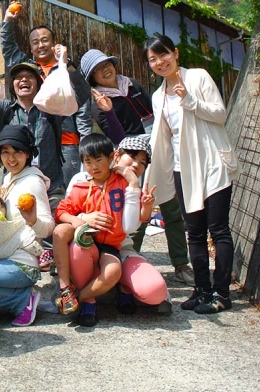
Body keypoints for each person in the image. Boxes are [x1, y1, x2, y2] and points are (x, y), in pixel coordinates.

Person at [81, 48, 195, 286]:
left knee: (172, 209)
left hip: (159, 148)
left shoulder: (131, 84)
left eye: (106, 64)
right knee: (137, 209)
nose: (105, 70)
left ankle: (181, 265)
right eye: (98, 70)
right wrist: (109, 111)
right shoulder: (98, 103)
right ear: (92, 78)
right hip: (133, 160)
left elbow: (156, 112)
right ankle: (131, 261)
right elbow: (118, 138)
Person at [144, 34, 239, 314]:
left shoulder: (197, 77)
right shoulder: (158, 96)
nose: (160, 62)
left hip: (212, 163)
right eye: (153, 59)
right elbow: (162, 139)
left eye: (164, 54)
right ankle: (202, 289)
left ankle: (222, 294)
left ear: (175, 53)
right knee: (194, 232)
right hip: (182, 169)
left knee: (218, 229)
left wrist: (190, 101)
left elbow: (220, 114)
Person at [66, 135, 170, 315]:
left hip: (119, 248)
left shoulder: (133, 186)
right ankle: (88, 301)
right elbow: (65, 214)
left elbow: (130, 226)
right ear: (115, 155)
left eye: (143, 162)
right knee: (78, 247)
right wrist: (84, 217)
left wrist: (134, 186)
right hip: (86, 245)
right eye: (132, 156)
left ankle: (115, 289)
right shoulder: (81, 179)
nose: (136, 164)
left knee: (154, 291)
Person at [53, 133, 140, 327]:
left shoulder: (122, 182)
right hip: (87, 242)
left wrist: (134, 183)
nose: (94, 166)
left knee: (113, 271)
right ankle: (69, 290)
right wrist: (79, 221)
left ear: (111, 157)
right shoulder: (81, 188)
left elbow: (137, 215)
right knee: (62, 232)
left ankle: (78, 298)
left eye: (99, 160)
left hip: (110, 246)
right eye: (88, 162)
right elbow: (60, 212)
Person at [1, 9, 91, 190]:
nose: (40, 45)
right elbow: (9, 49)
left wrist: (85, 139)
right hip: (35, 141)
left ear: (54, 44)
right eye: (35, 42)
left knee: (66, 191)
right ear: (31, 48)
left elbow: (82, 98)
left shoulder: (64, 68)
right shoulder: (29, 69)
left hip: (67, 141)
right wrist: (7, 22)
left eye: (44, 40)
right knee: (31, 192)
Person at [0, 125, 52, 326]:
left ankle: (22, 300)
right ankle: (12, 299)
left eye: (17, 152)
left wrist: (33, 220)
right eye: (5, 152)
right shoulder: (10, 178)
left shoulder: (32, 182)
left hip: (22, 264)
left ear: (27, 154)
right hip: (3, 259)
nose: (11, 159)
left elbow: (48, 228)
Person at [0, 60, 64, 194]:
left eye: (30, 76)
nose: (24, 79)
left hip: (50, 189)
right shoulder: (4, 110)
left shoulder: (51, 108)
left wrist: (65, 63)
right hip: (14, 189)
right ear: (12, 85)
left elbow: (79, 94)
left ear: (38, 83)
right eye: (18, 77)